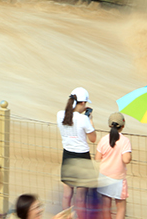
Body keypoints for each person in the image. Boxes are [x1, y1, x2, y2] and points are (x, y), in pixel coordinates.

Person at [57, 87, 96, 215]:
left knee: (67, 195)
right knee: (80, 198)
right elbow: (93, 139)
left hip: (67, 156)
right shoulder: (83, 119)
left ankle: (65, 217)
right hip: (82, 158)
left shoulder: (60, 115)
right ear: (83, 103)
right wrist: (90, 119)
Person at [94, 112, 131, 219]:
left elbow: (97, 159)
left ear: (109, 125)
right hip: (118, 178)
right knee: (121, 207)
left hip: (104, 176)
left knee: (106, 206)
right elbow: (126, 159)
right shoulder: (125, 141)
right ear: (122, 126)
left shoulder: (103, 140)